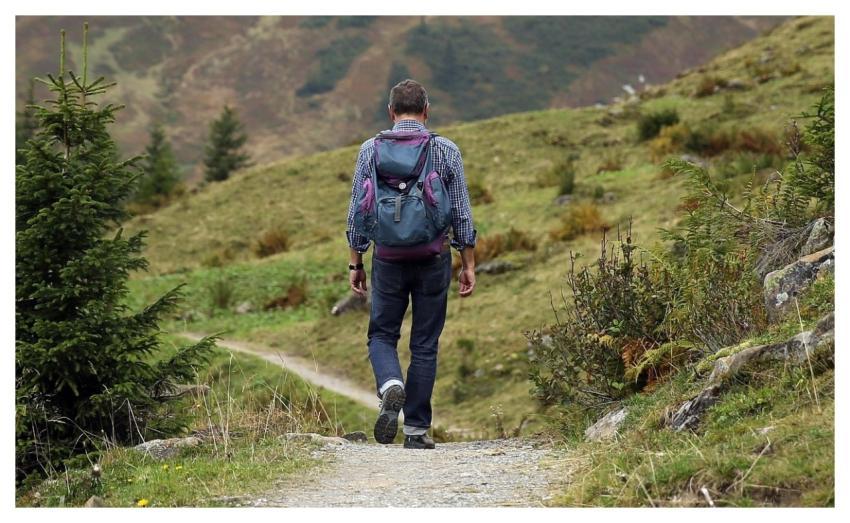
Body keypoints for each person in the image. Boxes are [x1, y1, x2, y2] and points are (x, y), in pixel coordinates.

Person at [345, 79, 477, 449]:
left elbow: (357, 210)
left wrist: (356, 262)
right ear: (426, 110)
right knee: (425, 343)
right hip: (433, 256)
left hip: (387, 257)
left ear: (391, 112)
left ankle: (391, 384)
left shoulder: (370, 150)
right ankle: (416, 430)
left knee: (382, 334)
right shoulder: (445, 150)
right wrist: (467, 262)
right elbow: (462, 212)